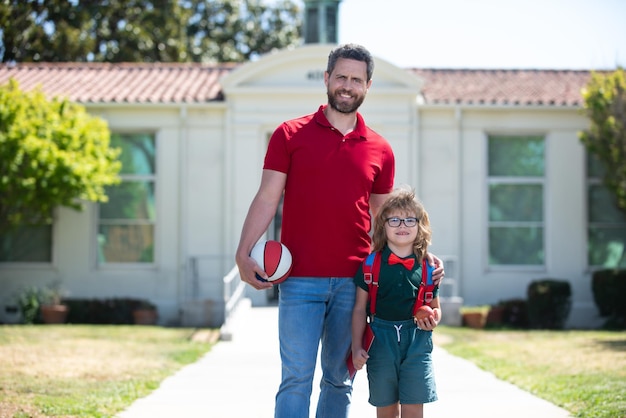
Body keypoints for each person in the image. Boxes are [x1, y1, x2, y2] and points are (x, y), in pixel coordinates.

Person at [235, 44, 444, 418]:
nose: (347, 85)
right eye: (341, 77)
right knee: (296, 377)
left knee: (338, 378)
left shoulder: (381, 149)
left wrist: (419, 255)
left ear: (367, 86)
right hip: (298, 280)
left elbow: (387, 219)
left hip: (354, 284)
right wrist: (243, 252)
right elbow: (267, 197)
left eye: (356, 79)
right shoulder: (289, 134)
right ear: (327, 79)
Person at [351, 187, 440, 418]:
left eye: (410, 219)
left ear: (420, 226)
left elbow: (435, 308)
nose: (403, 225)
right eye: (395, 220)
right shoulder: (370, 265)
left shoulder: (429, 268)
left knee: (413, 408)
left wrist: (433, 319)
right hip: (381, 340)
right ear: (383, 226)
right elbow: (360, 309)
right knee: (386, 408)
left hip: (417, 341)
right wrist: (356, 346)